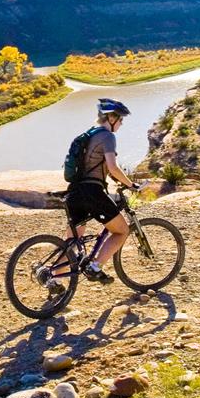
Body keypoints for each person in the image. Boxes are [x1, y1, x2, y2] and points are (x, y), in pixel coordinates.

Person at [48, 98, 140, 293]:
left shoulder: (89, 134)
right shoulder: (107, 136)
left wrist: (112, 179)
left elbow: (98, 167)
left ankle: (53, 278)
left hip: (75, 192)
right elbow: (113, 167)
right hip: (91, 193)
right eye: (121, 119)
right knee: (121, 230)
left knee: (73, 242)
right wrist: (130, 184)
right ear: (112, 117)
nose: (121, 123)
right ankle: (94, 267)